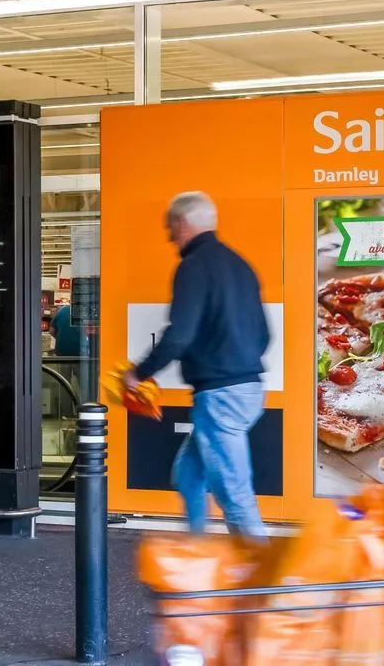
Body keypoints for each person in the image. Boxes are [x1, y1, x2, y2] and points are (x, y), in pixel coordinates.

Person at [124, 192, 270, 540]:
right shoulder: (239, 264)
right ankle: (197, 550)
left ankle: (265, 586)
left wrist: (138, 373)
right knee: (188, 475)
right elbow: (263, 333)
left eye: (169, 227)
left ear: (182, 223)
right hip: (248, 390)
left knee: (235, 498)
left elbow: (179, 336)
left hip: (221, 397)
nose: (168, 237)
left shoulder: (193, 267)